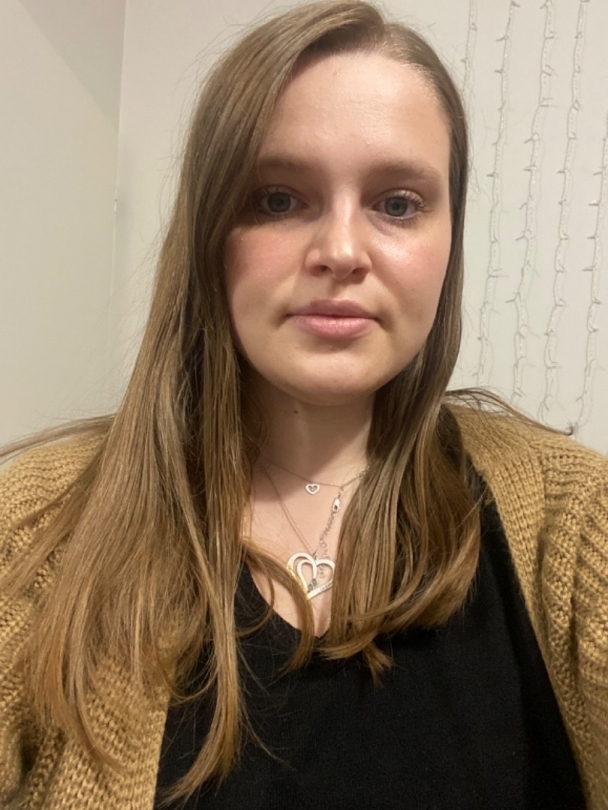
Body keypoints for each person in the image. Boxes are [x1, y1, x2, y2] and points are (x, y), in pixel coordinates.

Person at [0, 1, 606, 808]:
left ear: (449, 240)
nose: (341, 252)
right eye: (279, 200)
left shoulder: (577, 521)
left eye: (397, 203)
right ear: (210, 232)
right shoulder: (32, 531)